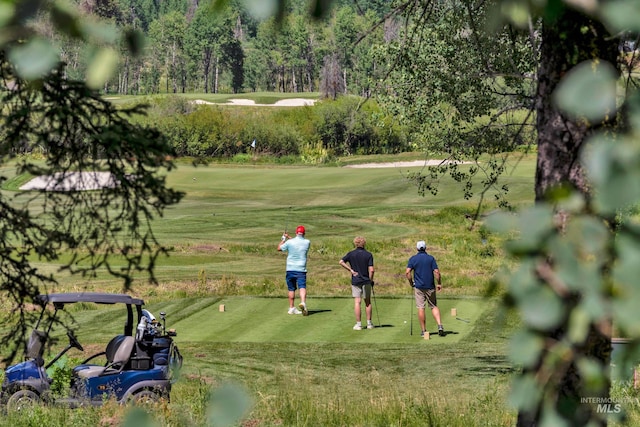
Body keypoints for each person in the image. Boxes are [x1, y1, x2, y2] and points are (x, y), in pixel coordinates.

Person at [406, 240, 444, 337]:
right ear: (425, 248)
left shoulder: (413, 259)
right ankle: (440, 325)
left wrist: (411, 283)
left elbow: (407, 273)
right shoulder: (430, 258)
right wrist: (439, 283)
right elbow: (437, 272)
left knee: (421, 308)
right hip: (430, 286)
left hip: (419, 287)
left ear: (417, 248)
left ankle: (423, 331)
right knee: (433, 306)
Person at [339, 236, 375, 330]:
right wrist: (371, 280)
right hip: (366, 280)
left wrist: (350, 270)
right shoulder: (368, 254)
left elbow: (341, 262)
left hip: (356, 280)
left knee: (357, 302)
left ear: (355, 243)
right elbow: (371, 270)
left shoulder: (351, 254)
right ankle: (369, 324)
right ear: (364, 243)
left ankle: (358, 324)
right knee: (368, 302)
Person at [278, 225, 310, 315]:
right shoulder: (307, 242)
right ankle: (303, 302)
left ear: (296, 232)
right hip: (301, 269)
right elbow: (298, 244)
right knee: (302, 287)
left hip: (290, 269)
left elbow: (279, 248)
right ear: (304, 233)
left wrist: (284, 239)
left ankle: (291, 308)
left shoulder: (290, 242)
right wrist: (289, 238)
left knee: (291, 289)